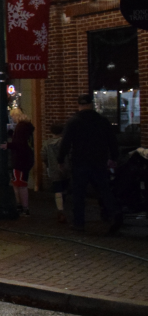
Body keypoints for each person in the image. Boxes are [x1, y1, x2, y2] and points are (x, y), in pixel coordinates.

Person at [57, 94, 121, 234]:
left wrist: (60, 160)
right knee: (104, 190)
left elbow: (65, 143)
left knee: (78, 193)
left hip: (80, 161)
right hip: (99, 160)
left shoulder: (73, 122)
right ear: (92, 105)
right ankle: (114, 213)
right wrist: (114, 157)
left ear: (79, 105)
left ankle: (79, 223)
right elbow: (112, 140)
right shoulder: (102, 121)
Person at [7, 108, 35, 215]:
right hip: (26, 159)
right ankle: (23, 206)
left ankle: (23, 207)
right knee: (20, 182)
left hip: (20, 159)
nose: (12, 119)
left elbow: (18, 144)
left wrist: (7, 145)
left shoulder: (20, 127)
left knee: (19, 183)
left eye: (12, 116)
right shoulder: (28, 127)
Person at [42, 123, 68, 224]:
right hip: (65, 168)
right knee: (64, 188)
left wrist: (47, 165)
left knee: (57, 189)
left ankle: (60, 209)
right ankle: (62, 206)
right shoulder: (64, 142)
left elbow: (43, 155)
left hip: (53, 168)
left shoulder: (47, 143)